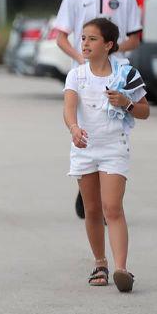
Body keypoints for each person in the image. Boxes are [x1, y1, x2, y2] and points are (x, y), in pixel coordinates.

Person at [52, 0, 143, 220]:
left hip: (115, 76)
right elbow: (61, 36)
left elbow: (135, 37)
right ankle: (88, 183)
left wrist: (111, 51)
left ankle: (107, 187)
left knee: (114, 127)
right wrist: (83, 57)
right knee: (85, 125)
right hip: (84, 77)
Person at [62, 18, 149, 293]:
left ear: (109, 45)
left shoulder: (126, 74)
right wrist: (74, 128)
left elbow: (145, 111)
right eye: (83, 38)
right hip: (85, 149)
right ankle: (100, 264)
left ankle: (122, 269)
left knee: (112, 208)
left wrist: (127, 103)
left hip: (114, 148)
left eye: (92, 39)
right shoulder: (77, 75)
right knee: (92, 210)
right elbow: (69, 108)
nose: (85, 44)